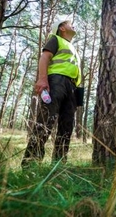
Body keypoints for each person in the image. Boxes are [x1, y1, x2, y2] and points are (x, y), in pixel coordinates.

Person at [21, 19, 81, 169]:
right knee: (46, 120)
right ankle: (30, 164)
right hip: (56, 82)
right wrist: (42, 79)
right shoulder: (56, 39)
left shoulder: (73, 48)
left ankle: (59, 165)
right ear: (61, 28)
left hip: (72, 87)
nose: (73, 25)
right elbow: (45, 57)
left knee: (67, 127)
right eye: (69, 23)